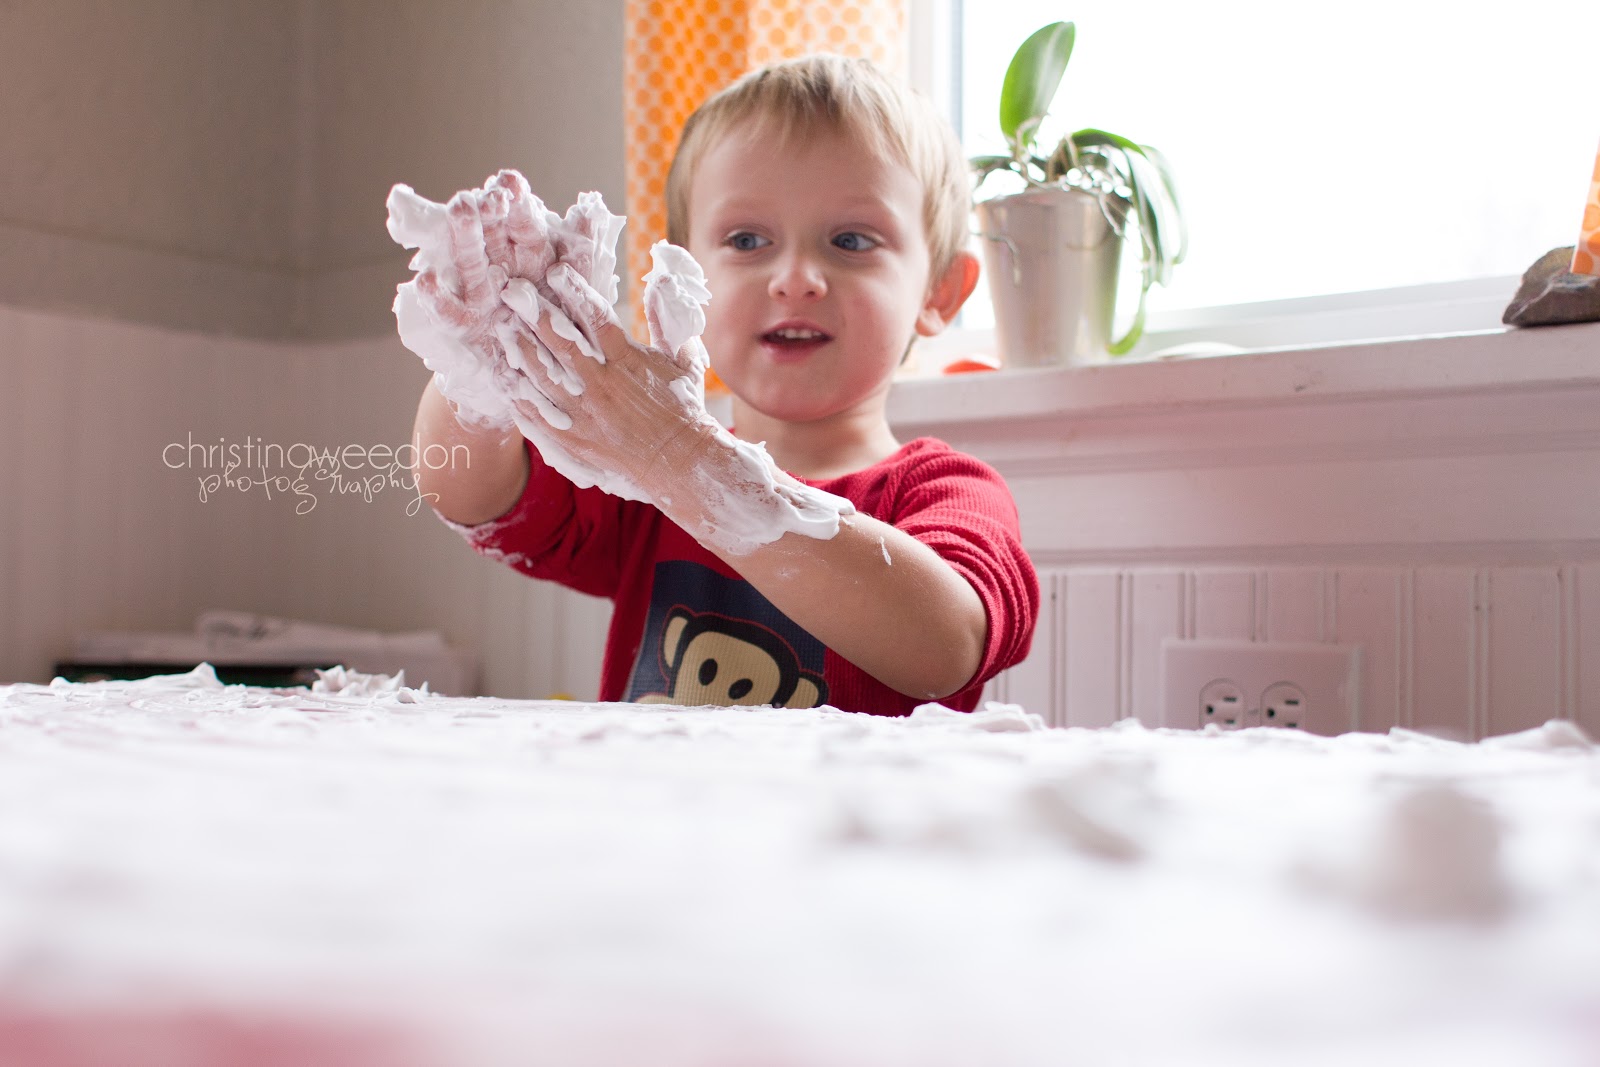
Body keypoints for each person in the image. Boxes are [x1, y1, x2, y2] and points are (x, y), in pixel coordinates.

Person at [411, 54, 1039, 714]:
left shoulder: (947, 492)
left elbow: (944, 649)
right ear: (685, 274)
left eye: (851, 240)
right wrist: (480, 365)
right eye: (747, 239)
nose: (795, 278)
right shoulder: (643, 486)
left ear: (939, 290)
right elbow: (467, 492)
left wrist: (684, 462)